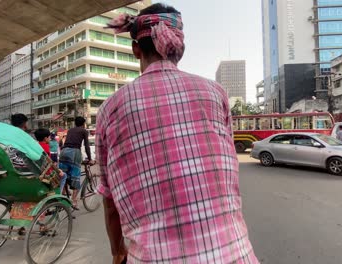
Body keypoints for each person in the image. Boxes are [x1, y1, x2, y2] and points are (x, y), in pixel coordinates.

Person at [96, 4, 259, 263]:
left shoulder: (110, 109)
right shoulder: (215, 93)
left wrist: (118, 252)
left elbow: (110, 202)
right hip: (236, 254)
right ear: (179, 47)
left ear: (136, 49)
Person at [59, 117, 91, 210]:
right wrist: (90, 158)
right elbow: (86, 145)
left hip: (63, 152)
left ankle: (63, 195)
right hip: (74, 153)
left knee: (63, 175)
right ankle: (74, 201)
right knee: (76, 178)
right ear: (83, 123)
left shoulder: (70, 130)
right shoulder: (84, 131)